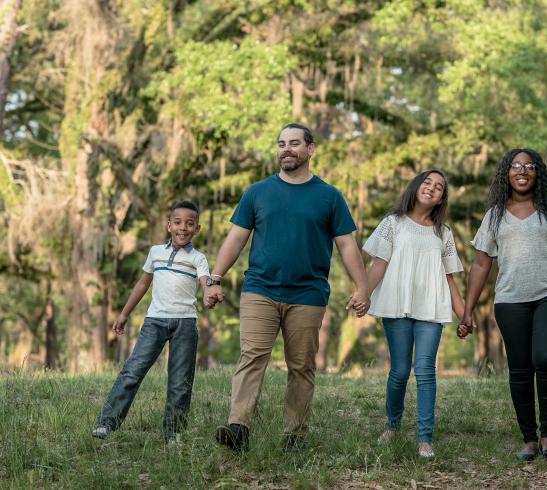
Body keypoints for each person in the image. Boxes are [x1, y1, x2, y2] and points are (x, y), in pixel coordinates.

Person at [206, 123, 370, 452]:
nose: (286, 149)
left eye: (294, 143)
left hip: (307, 294)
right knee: (252, 356)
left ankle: (295, 434)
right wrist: (215, 278)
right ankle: (239, 426)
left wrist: (362, 287)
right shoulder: (257, 192)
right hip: (260, 289)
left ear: (310, 150)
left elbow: (347, 246)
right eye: (281, 143)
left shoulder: (329, 196)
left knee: (301, 365)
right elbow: (237, 237)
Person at [458, 148, 547, 461]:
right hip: (509, 299)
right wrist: (467, 310)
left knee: (546, 357)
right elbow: (481, 265)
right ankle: (529, 439)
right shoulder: (494, 215)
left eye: (529, 166)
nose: (522, 171)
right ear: (506, 173)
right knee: (520, 368)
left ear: (538, 173)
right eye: (516, 166)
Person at [362, 169, 465, 458]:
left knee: (425, 371)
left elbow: (449, 279)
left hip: (430, 309)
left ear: (442, 198)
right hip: (397, 305)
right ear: (416, 186)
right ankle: (392, 426)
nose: (431, 189)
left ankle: (424, 439)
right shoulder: (392, 224)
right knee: (399, 372)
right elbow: (378, 266)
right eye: (427, 182)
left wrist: (464, 315)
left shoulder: (443, 233)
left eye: (439, 187)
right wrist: (362, 295)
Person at [92, 201, 210, 445]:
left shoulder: (198, 258)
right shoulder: (156, 252)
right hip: (154, 321)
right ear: (169, 225)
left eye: (190, 224)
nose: (183, 228)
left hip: (185, 324)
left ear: (197, 229)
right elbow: (143, 284)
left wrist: (210, 292)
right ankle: (106, 422)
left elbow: (205, 281)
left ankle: (173, 433)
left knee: (180, 380)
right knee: (133, 370)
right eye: (177, 222)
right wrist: (124, 314)